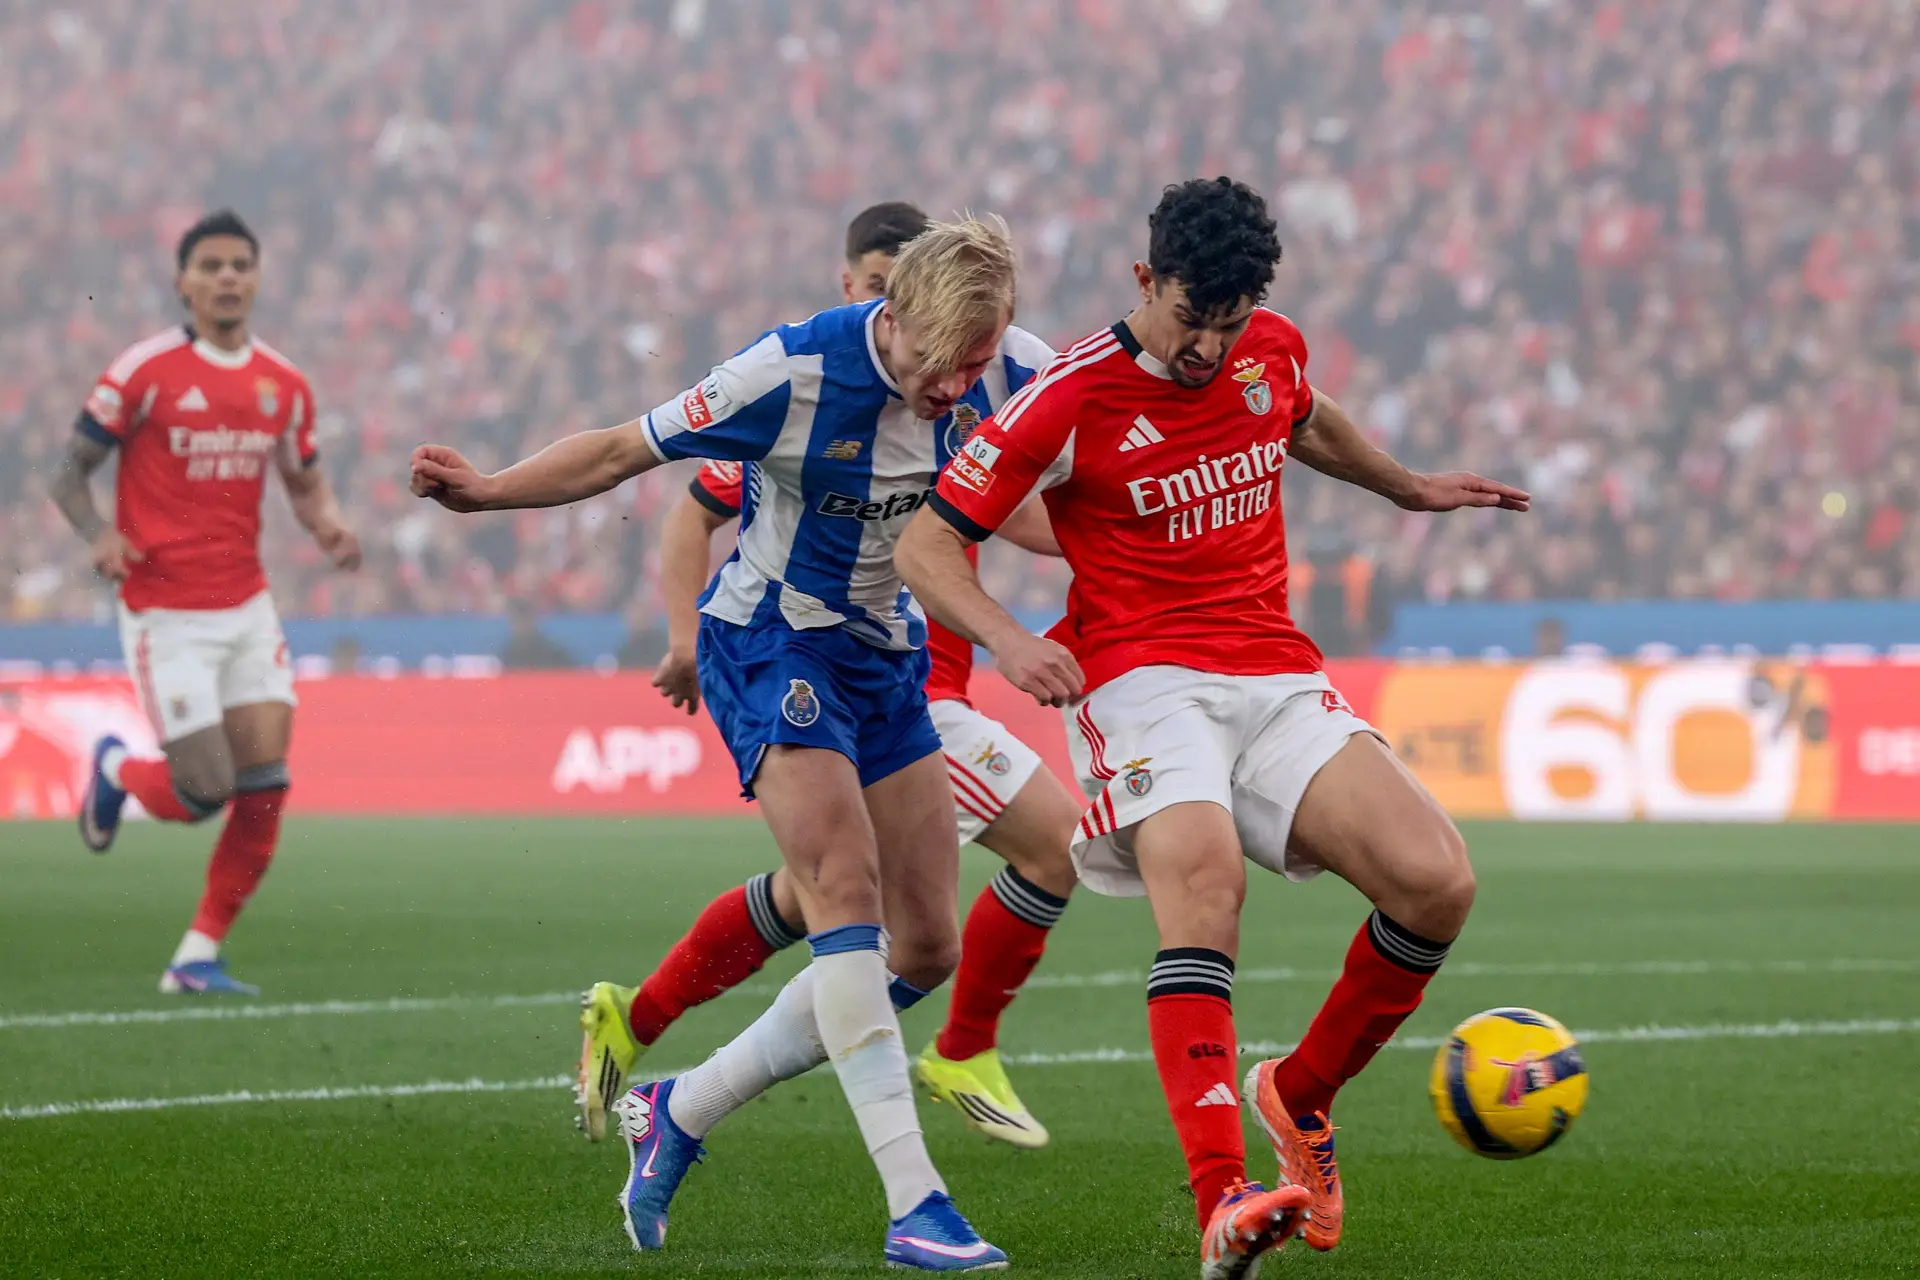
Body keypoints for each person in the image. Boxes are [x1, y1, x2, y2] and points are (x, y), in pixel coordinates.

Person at [897, 177, 1530, 1278]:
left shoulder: (1266, 349)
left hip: (1272, 668)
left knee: (1438, 883)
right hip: (1140, 677)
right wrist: (1006, 639)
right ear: (1147, 280)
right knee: (1205, 889)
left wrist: (1403, 488)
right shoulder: (1067, 395)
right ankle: (1223, 1197)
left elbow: (1304, 415)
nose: (1208, 348)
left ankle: (1301, 1095)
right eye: (1191, 318)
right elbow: (927, 544)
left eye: (1229, 324)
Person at [411, 216, 1037, 1271]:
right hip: (771, 642)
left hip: (885, 654)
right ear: (895, 315)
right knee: (844, 887)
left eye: (979, 361)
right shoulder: (790, 370)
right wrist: (489, 491)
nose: (960, 385)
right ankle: (916, 1203)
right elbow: (622, 448)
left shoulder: (1009, 368)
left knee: (928, 945)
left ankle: (681, 1107)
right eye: (946, 361)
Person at [577, 201, 1082, 1156]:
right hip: (876, 681)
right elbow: (693, 507)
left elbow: (1020, 511)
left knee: (831, 897)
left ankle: (641, 1022)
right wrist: (683, 637)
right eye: (875, 289)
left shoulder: (978, 391)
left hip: (902, 676)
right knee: (1041, 851)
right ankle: (960, 1051)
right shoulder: (806, 402)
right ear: (860, 294)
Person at [53, 209, 361, 997]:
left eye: (240, 265)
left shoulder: (284, 384)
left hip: (246, 606)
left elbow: (303, 478)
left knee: (266, 782)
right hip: (165, 612)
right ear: (183, 283)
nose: (227, 277)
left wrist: (327, 525)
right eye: (211, 266)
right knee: (203, 790)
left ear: (256, 279)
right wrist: (98, 534)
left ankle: (196, 955)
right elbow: (68, 470)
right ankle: (117, 769)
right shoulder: (144, 371)